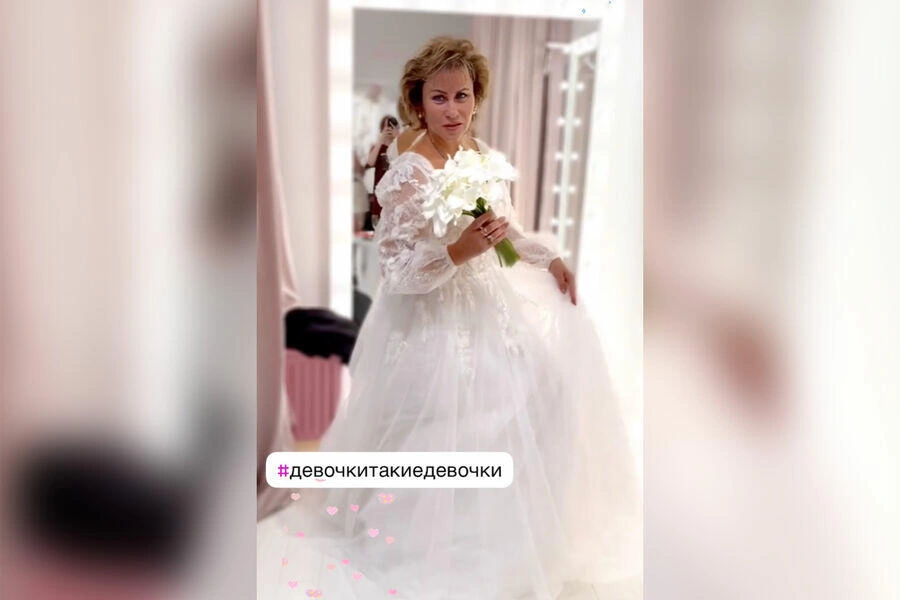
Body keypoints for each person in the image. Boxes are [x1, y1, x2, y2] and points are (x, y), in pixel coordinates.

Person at [257, 37, 640, 599]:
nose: (453, 109)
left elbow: (505, 235)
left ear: (477, 97)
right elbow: (398, 271)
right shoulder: (408, 168)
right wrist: (458, 250)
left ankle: (513, 544)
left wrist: (550, 259)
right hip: (430, 322)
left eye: (463, 96)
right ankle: (432, 550)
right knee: (446, 432)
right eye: (439, 97)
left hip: (492, 309)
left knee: (543, 398)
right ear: (418, 101)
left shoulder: (480, 155)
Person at [362, 115, 398, 230]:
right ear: (381, 129)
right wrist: (380, 140)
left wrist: (398, 139)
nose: (389, 129)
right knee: (378, 230)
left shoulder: (399, 145)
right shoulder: (377, 146)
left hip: (395, 195)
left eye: (392, 126)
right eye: (386, 127)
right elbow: (370, 162)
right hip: (379, 195)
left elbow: (406, 159)